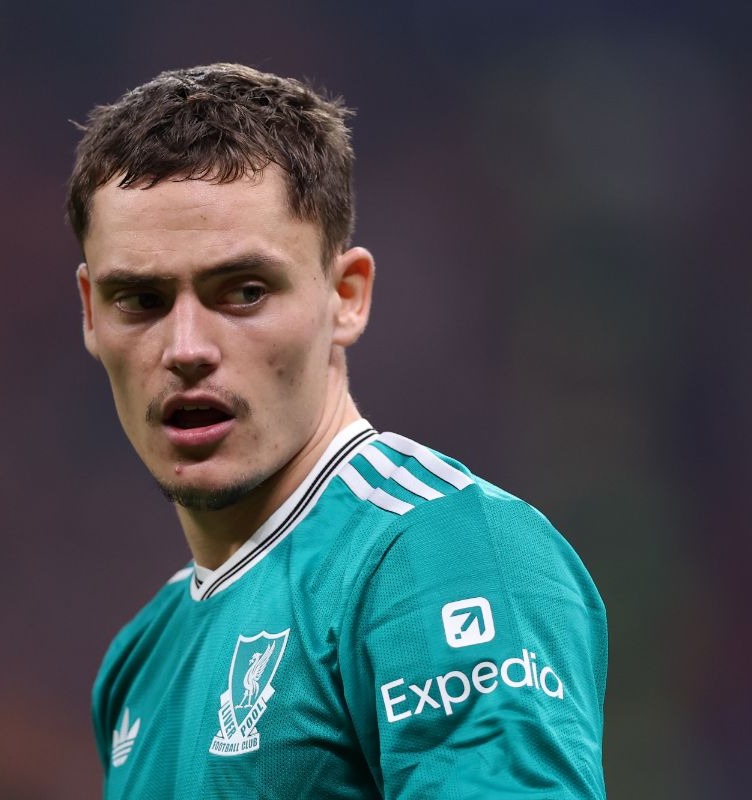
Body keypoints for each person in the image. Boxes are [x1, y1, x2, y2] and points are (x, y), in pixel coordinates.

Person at [66, 63, 607, 799]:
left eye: (244, 291)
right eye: (140, 299)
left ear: (346, 296)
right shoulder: (140, 658)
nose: (186, 348)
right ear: (91, 313)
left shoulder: (440, 553)